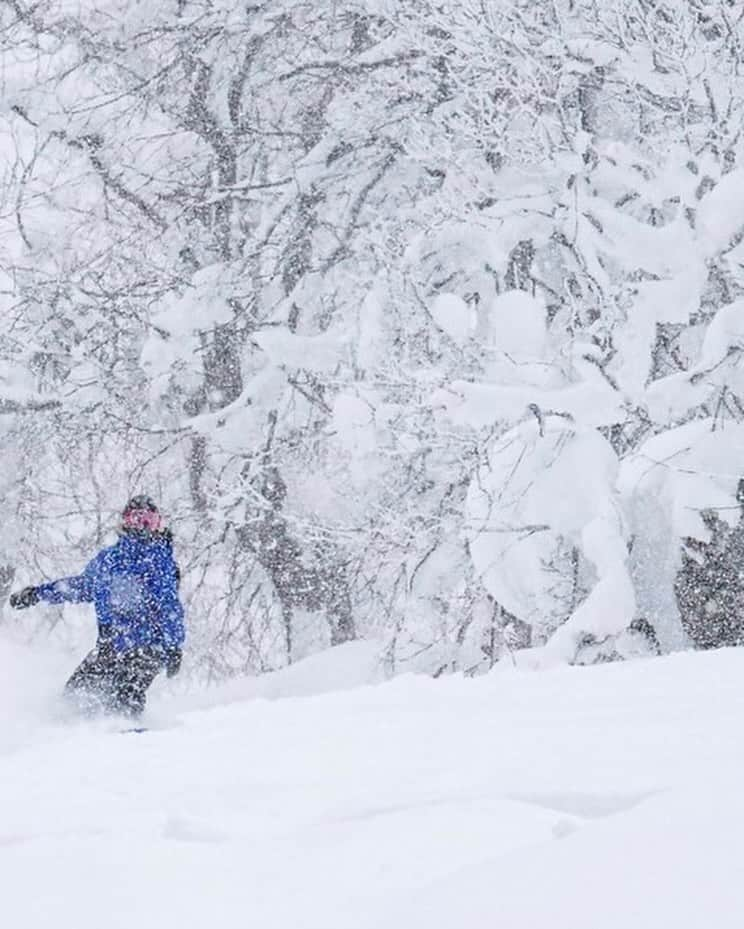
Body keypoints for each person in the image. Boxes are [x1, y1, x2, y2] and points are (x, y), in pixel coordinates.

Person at [9, 495, 185, 718]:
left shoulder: (159, 561)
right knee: (75, 696)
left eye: (148, 520)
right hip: (111, 648)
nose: (142, 527)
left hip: (148, 648)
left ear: (157, 524)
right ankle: (67, 736)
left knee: (125, 697)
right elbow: (81, 586)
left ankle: (132, 739)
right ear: (124, 522)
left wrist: (173, 646)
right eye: (135, 519)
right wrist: (37, 594)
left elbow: (170, 606)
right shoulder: (109, 560)